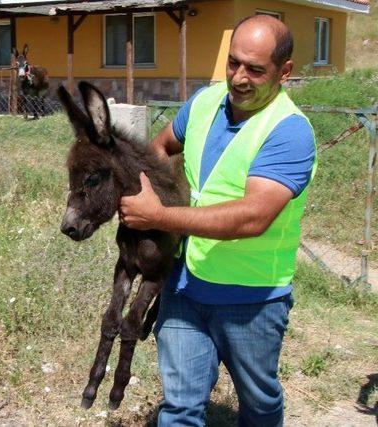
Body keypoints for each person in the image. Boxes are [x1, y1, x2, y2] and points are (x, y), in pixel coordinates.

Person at [119, 15, 316, 426]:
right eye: (233, 63)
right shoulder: (205, 102)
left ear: (285, 72)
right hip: (185, 286)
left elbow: (252, 218)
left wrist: (159, 214)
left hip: (252, 299)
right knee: (180, 407)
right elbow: (161, 146)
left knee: (258, 405)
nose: (239, 77)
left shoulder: (289, 131)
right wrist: (140, 189)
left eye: (255, 70)